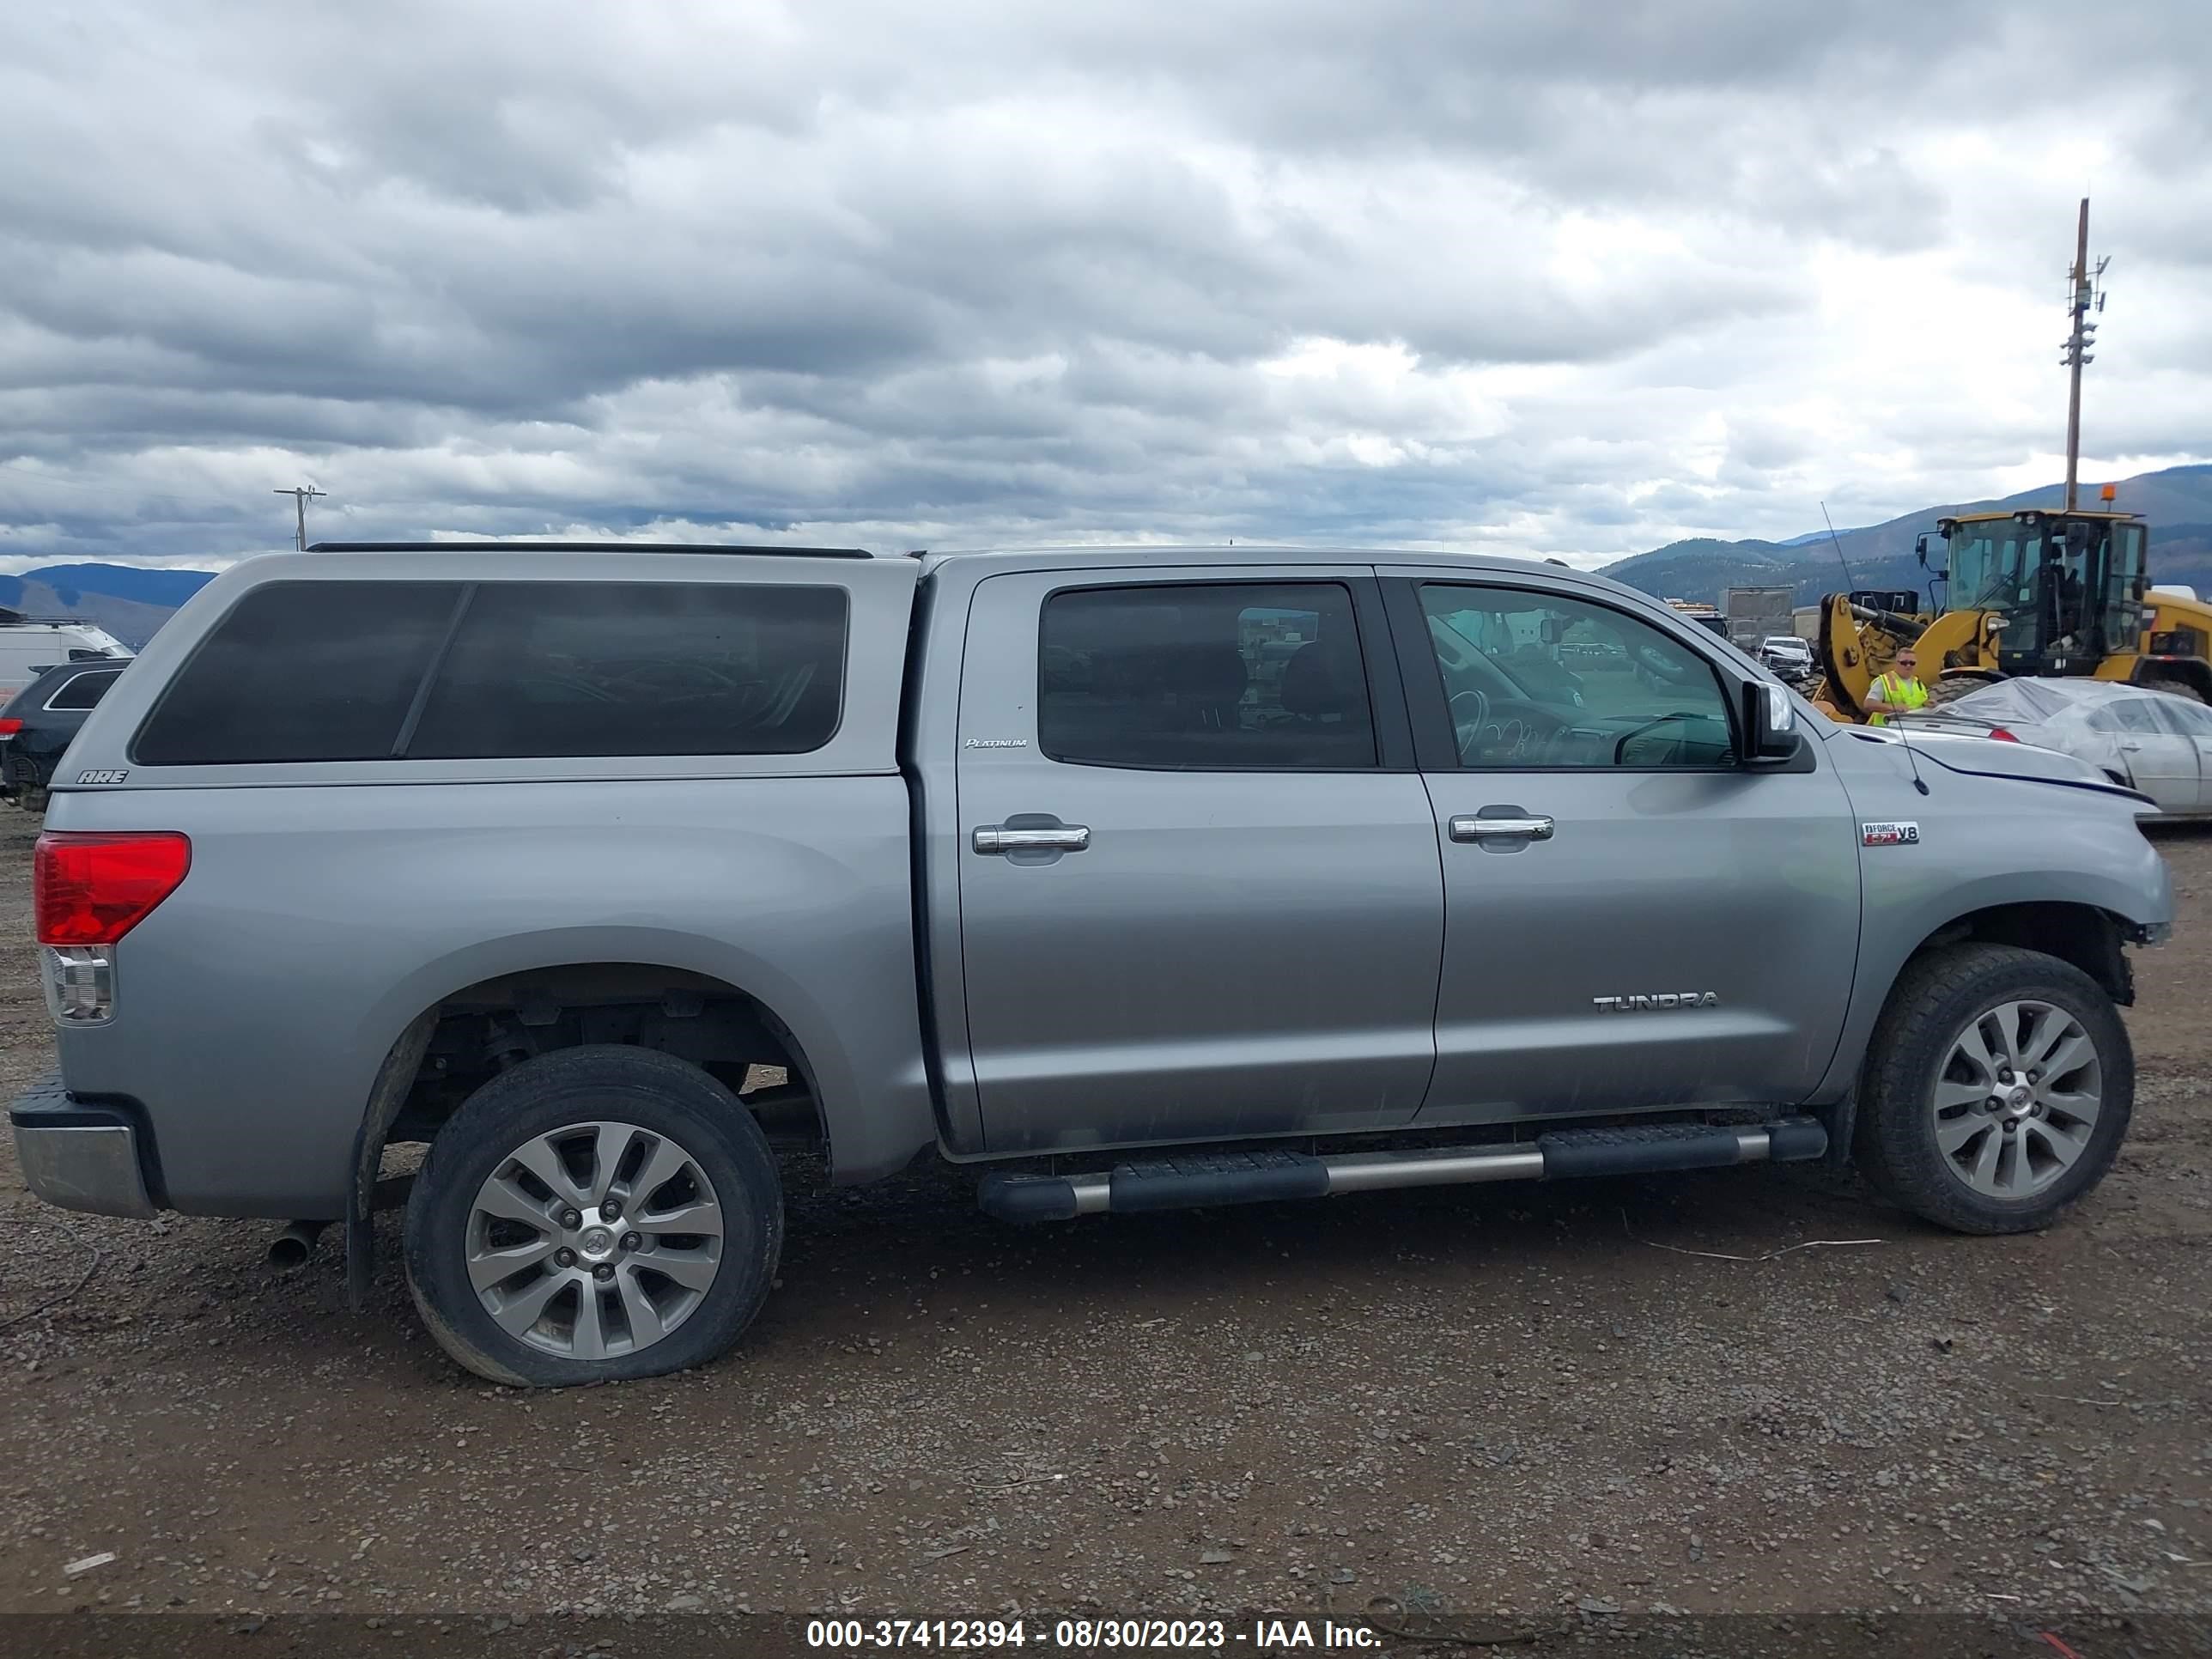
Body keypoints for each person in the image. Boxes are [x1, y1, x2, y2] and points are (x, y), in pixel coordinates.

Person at [1864, 651, 1929, 726]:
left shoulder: (1918, 683)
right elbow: (1869, 704)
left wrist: (1926, 703)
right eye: (1904, 663)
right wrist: (1893, 707)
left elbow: (1916, 704)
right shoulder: (1885, 680)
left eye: (1912, 663)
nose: (1908, 665)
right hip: (1888, 732)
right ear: (1896, 663)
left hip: (1912, 730)